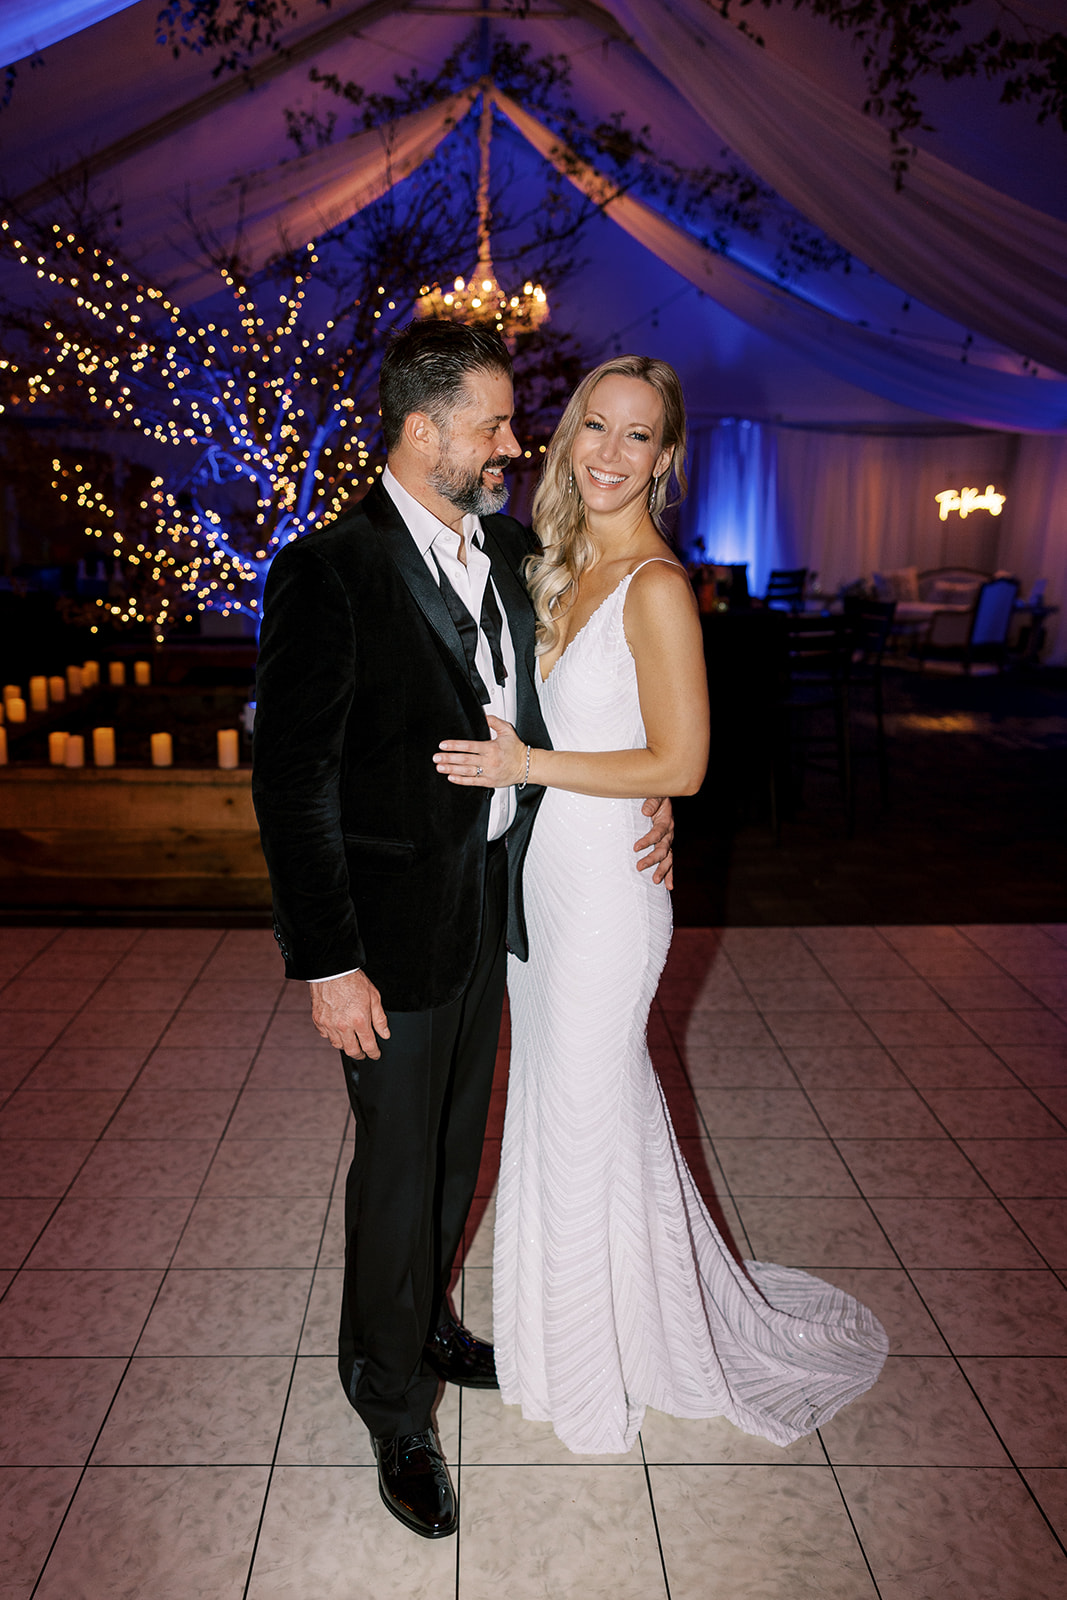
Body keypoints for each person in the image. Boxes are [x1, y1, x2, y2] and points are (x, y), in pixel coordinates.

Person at [251, 321, 674, 1538]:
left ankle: (428, 1316)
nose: (511, 443)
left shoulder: (507, 544)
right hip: (381, 934)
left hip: (502, 905)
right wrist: (328, 960)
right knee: (393, 1167)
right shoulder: (328, 569)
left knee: (452, 1147)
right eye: (491, 423)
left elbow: (578, 696)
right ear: (421, 428)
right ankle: (390, 1400)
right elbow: (291, 785)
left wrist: (648, 788)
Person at [435, 355, 888, 1455]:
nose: (607, 452)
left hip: (606, 897)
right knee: (565, 1100)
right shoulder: (550, 563)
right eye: (594, 425)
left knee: (590, 1101)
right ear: (564, 437)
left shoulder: (656, 585)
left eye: (635, 436)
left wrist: (532, 766)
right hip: (543, 881)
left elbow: (680, 764)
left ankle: (601, 1356)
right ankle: (567, 1324)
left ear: (663, 457)